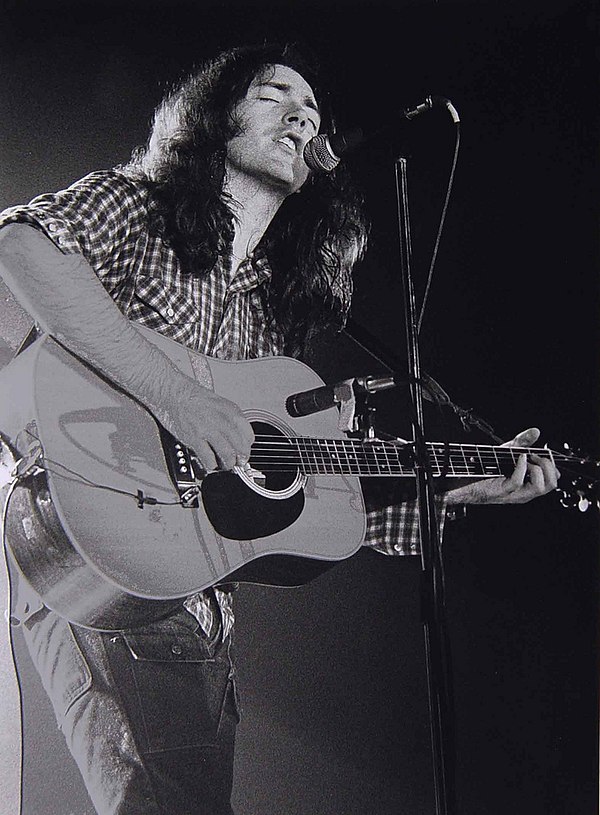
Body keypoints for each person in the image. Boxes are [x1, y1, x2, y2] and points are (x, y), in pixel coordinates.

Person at [0, 43, 559, 815]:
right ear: (212, 118)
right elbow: (20, 248)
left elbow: (298, 496)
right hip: (91, 538)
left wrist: (455, 484)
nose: (303, 113)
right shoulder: (136, 205)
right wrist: (179, 397)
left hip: (187, 588)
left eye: (313, 108)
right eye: (274, 94)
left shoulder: (272, 317)